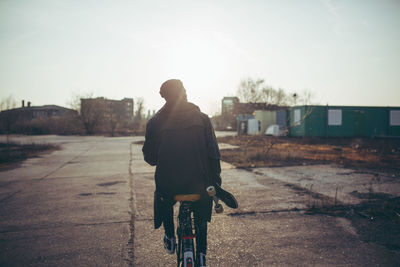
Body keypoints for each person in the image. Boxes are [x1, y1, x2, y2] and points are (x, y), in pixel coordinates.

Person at [142, 79, 221, 267]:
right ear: (184, 92)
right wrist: (215, 183)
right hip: (199, 183)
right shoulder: (202, 119)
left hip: (169, 185)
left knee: (164, 198)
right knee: (201, 211)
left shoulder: (155, 122)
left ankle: (169, 236)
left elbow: (150, 158)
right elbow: (214, 155)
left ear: (163, 96)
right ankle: (201, 255)